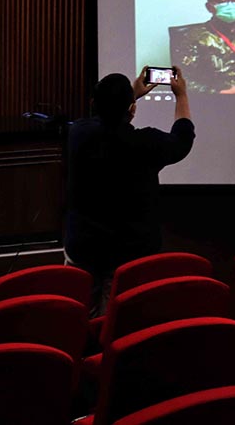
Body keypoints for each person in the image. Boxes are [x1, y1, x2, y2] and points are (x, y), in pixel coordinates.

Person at [64, 66, 194, 314]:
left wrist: (130, 96)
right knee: (117, 320)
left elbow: (101, 121)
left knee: (78, 316)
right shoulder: (146, 143)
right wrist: (181, 95)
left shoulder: (78, 133)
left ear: (93, 104)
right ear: (132, 109)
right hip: (129, 252)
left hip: (83, 246)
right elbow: (182, 139)